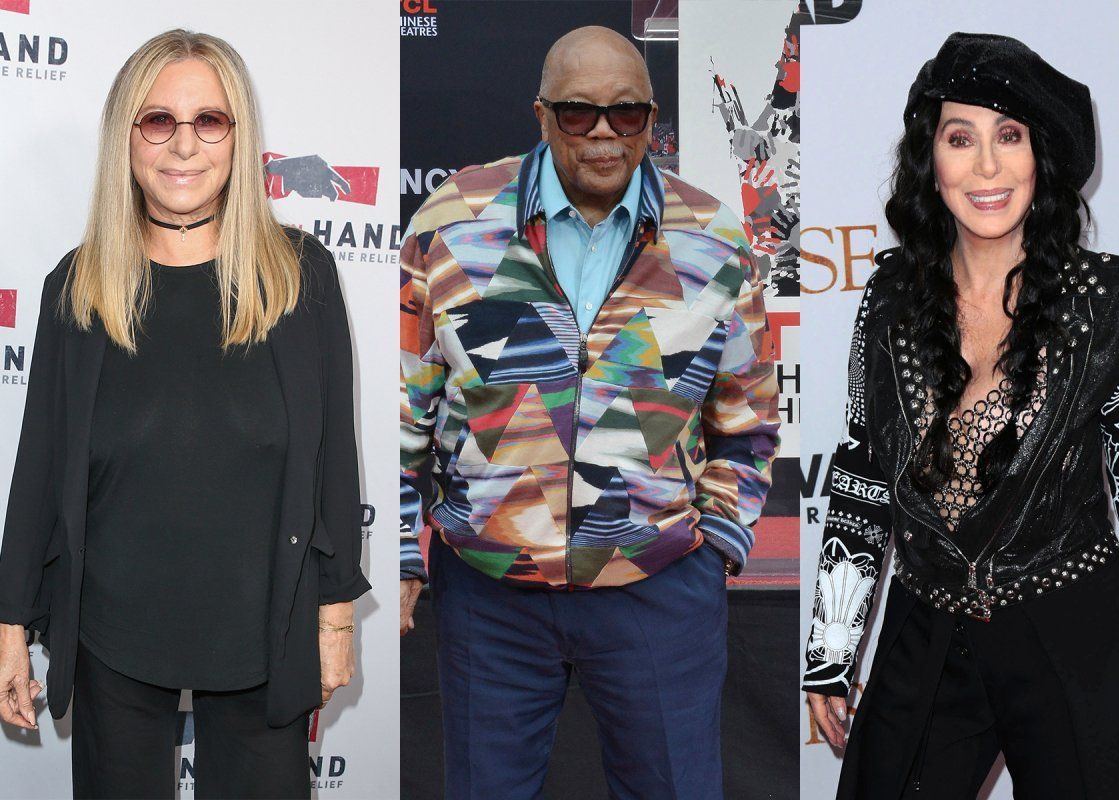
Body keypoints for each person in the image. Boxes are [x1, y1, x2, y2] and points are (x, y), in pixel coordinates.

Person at [803, 32, 1119, 798]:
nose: (986, 166)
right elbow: (863, 476)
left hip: (1069, 636)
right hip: (925, 628)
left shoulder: (1106, 306)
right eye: (961, 138)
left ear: (1039, 154)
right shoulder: (890, 301)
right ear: (931, 161)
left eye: (1008, 136)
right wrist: (830, 651)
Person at [398, 25, 780, 799]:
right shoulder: (453, 220)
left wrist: (715, 547)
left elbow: (748, 416)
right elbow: (402, 406)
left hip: (660, 591)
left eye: (626, 112)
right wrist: (404, 546)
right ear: (541, 115)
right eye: (578, 113)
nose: (604, 133)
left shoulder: (711, 236)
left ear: (652, 117)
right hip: (491, 595)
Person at [0, 29, 370, 798]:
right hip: (111, 639)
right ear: (126, 136)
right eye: (158, 120)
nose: (184, 145)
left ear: (239, 136)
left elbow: (334, 461)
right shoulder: (77, 287)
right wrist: (11, 621)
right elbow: (39, 468)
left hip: (264, 633)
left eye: (209, 121)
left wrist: (336, 617)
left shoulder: (301, 278)